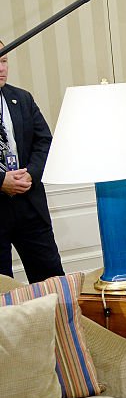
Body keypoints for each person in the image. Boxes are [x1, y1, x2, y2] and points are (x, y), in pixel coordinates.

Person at [0, 42, 64, 282]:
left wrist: (31, 174)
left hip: (29, 203)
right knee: (2, 289)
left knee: (51, 280)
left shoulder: (21, 99)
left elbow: (44, 142)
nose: (1, 68)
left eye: (4, 60)